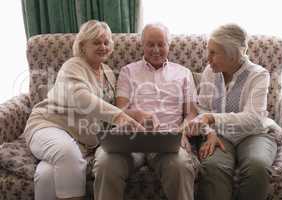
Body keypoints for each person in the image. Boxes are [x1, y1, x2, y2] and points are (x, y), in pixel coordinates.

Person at [23, 20, 144, 200]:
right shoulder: (73, 66)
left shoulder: (108, 72)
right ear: (82, 45)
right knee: (67, 154)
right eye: (96, 42)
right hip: (49, 125)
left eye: (106, 42)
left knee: (47, 174)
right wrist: (120, 118)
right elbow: (82, 99)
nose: (103, 46)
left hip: (79, 139)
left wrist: (137, 116)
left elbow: (105, 109)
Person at [92, 23, 200, 200]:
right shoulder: (128, 71)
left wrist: (182, 133)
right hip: (131, 138)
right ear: (142, 45)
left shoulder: (183, 73)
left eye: (161, 44)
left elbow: (192, 113)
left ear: (169, 45)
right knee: (105, 164)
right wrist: (140, 116)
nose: (156, 50)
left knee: (180, 165)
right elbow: (121, 110)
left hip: (167, 139)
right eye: (150, 44)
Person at [182, 23, 278, 200]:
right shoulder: (210, 72)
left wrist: (212, 118)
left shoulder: (258, 75)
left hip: (254, 134)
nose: (208, 58)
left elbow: (253, 119)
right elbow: (202, 108)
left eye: (213, 53)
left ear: (232, 55)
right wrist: (210, 133)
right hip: (220, 135)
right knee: (213, 166)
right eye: (208, 51)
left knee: (257, 166)